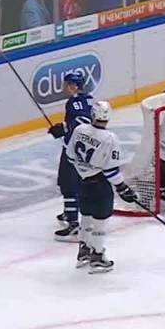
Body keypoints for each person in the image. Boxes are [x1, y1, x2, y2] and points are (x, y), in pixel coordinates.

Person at [66, 101, 136, 273]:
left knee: (86, 217)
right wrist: (122, 187)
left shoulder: (79, 130)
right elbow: (110, 170)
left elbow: (70, 157)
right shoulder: (110, 138)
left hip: (81, 182)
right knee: (100, 222)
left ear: (92, 114)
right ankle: (97, 256)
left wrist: (84, 169)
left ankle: (84, 252)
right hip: (99, 185)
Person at [48, 71, 92, 240]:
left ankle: (73, 223)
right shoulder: (90, 99)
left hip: (73, 150)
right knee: (74, 181)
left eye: (66, 84)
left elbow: (83, 121)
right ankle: (69, 212)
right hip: (85, 149)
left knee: (68, 184)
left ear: (73, 85)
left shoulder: (75, 101)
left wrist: (63, 128)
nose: (64, 87)